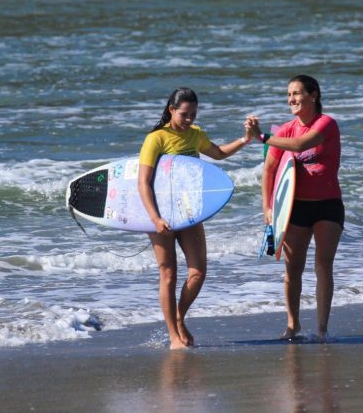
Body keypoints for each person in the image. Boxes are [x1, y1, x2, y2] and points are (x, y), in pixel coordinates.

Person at [138, 87, 252, 350]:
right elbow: (143, 183)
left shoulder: (195, 134)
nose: (189, 119)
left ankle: (179, 316)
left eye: (193, 114)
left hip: (189, 212)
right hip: (161, 215)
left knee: (198, 272)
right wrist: (155, 218)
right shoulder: (156, 139)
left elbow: (219, 153)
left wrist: (245, 139)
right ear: (171, 110)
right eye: (184, 114)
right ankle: (174, 336)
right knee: (168, 274)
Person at [245, 75, 344, 342]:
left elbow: (302, 145)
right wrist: (268, 208)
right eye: (289, 94)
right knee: (293, 269)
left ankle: (322, 329)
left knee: (323, 265)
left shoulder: (327, 124)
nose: (292, 99)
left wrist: (263, 136)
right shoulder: (286, 129)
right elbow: (269, 170)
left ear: (314, 95)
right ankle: (293, 325)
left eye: (297, 93)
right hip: (294, 208)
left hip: (328, 206)